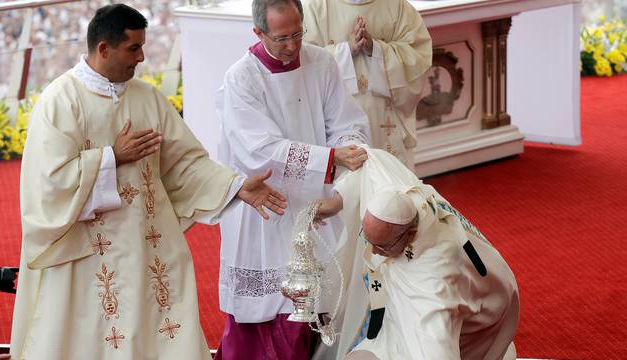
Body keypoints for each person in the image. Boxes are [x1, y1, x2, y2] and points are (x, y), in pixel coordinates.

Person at [10, 4, 287, 360]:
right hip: (88, 257)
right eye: (133, 49)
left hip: (146, 247)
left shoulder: (147, 97)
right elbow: (47, 185)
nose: (141, 57)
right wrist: (112, 157)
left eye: (142, 47)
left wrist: (236, 186)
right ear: (103, 49)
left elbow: (185, 162)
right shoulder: (60, 102)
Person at [214, 0, 371, 358]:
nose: (293, 45)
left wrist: (349, 149)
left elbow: (347, 122)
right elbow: (259, 150)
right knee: (268, 310)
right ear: (258, 32)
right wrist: (329, 159)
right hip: (265, 206)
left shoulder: (321, 62)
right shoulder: (241, 77)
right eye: (282, 38)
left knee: (318, 303)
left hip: (318, 204)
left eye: (298, 33)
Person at [313, 146, 519, 359]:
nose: (372, 251)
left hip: (465, 328)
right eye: (368, 239)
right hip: (393, 326)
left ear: (410, 236)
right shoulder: (393, 193)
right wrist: (336, 203)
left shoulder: (434, 280)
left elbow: (436, 350)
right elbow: (371, 159)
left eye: (382, 247)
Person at [303, 0, 432, 170]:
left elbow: (418, 56)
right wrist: (346, 50)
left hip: (384, 116)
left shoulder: (397, 6)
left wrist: (377, 50)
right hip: (336, 119)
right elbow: (303, 61)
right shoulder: (313, 7)